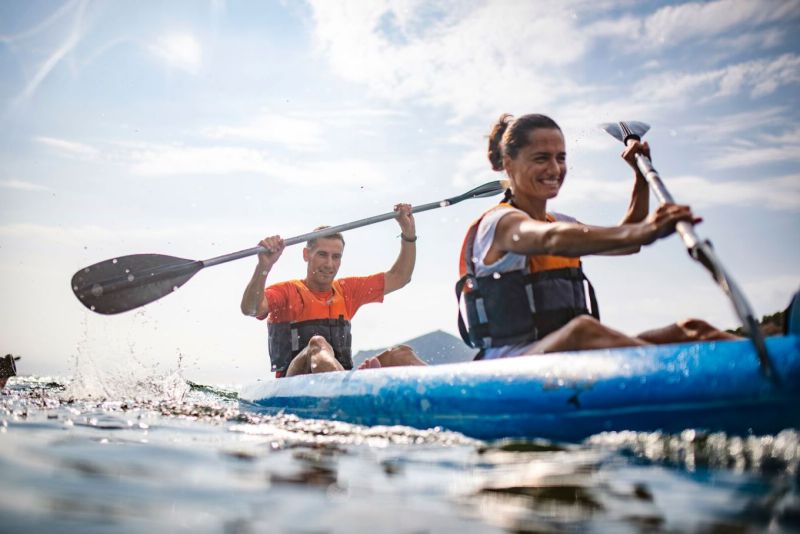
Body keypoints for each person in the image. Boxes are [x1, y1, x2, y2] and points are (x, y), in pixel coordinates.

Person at [456, 113, 737, 359]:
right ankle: (682, 376)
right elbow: (552, 239)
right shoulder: (501, 223)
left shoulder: (561, 221)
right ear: (509, 164)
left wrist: (640, 179)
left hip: (567, 356)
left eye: (560, 158)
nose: (554, 169)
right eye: (541, 158)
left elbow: (628, 242)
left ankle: (771, 360)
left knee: (691, 329)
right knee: (583, 331)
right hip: (510, 365)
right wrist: (647, 228)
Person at [242, 204, 426, 377]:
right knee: (317, 344)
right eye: (322, 255)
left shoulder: (347, 291)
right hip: (293, 381)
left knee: (402, 354)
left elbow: (400, 277)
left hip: (338, 378)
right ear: (307, 255)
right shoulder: (286, 292)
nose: (329, 264)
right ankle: (349, 385)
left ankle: (451, 396)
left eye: (336, 257)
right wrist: (263, 266)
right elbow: (250, 309)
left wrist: (408, 234)